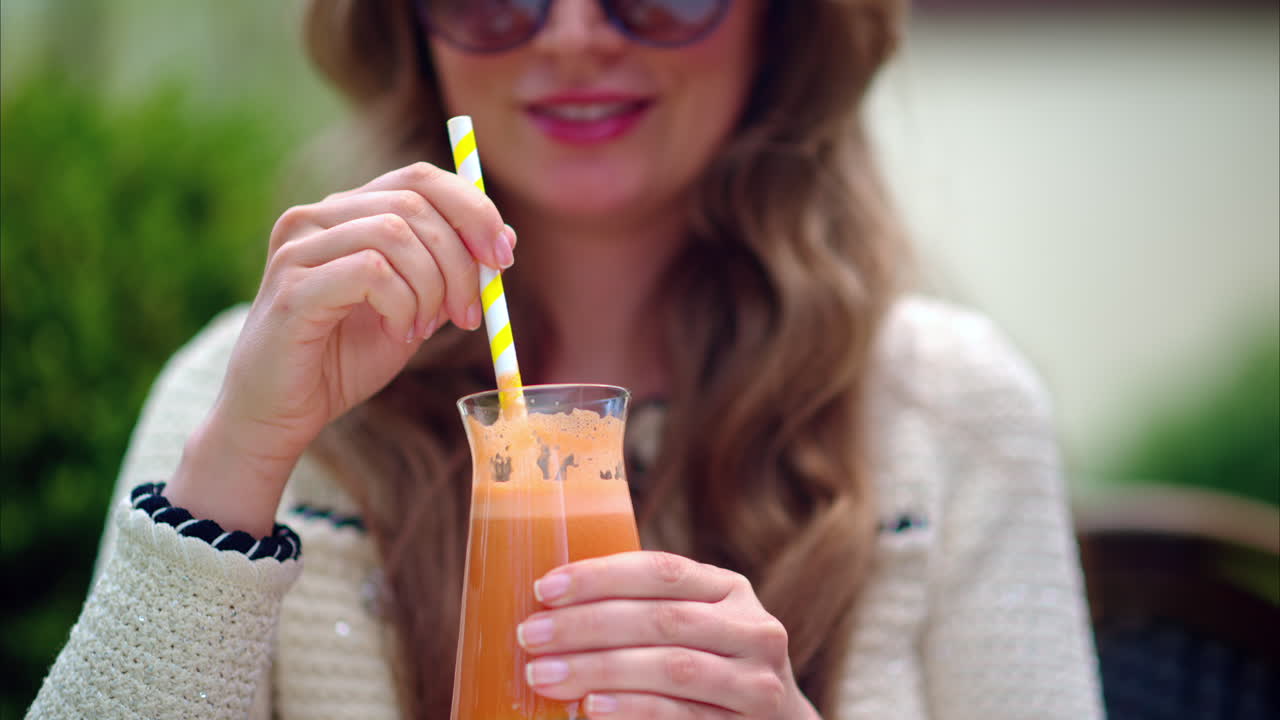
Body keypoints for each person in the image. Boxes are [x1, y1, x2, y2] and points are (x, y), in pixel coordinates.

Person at [28, 1, 1104, 718]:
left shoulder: (950, 412)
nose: (577, 35)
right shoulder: (254, 387)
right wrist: (242, 460)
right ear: (413, 27)